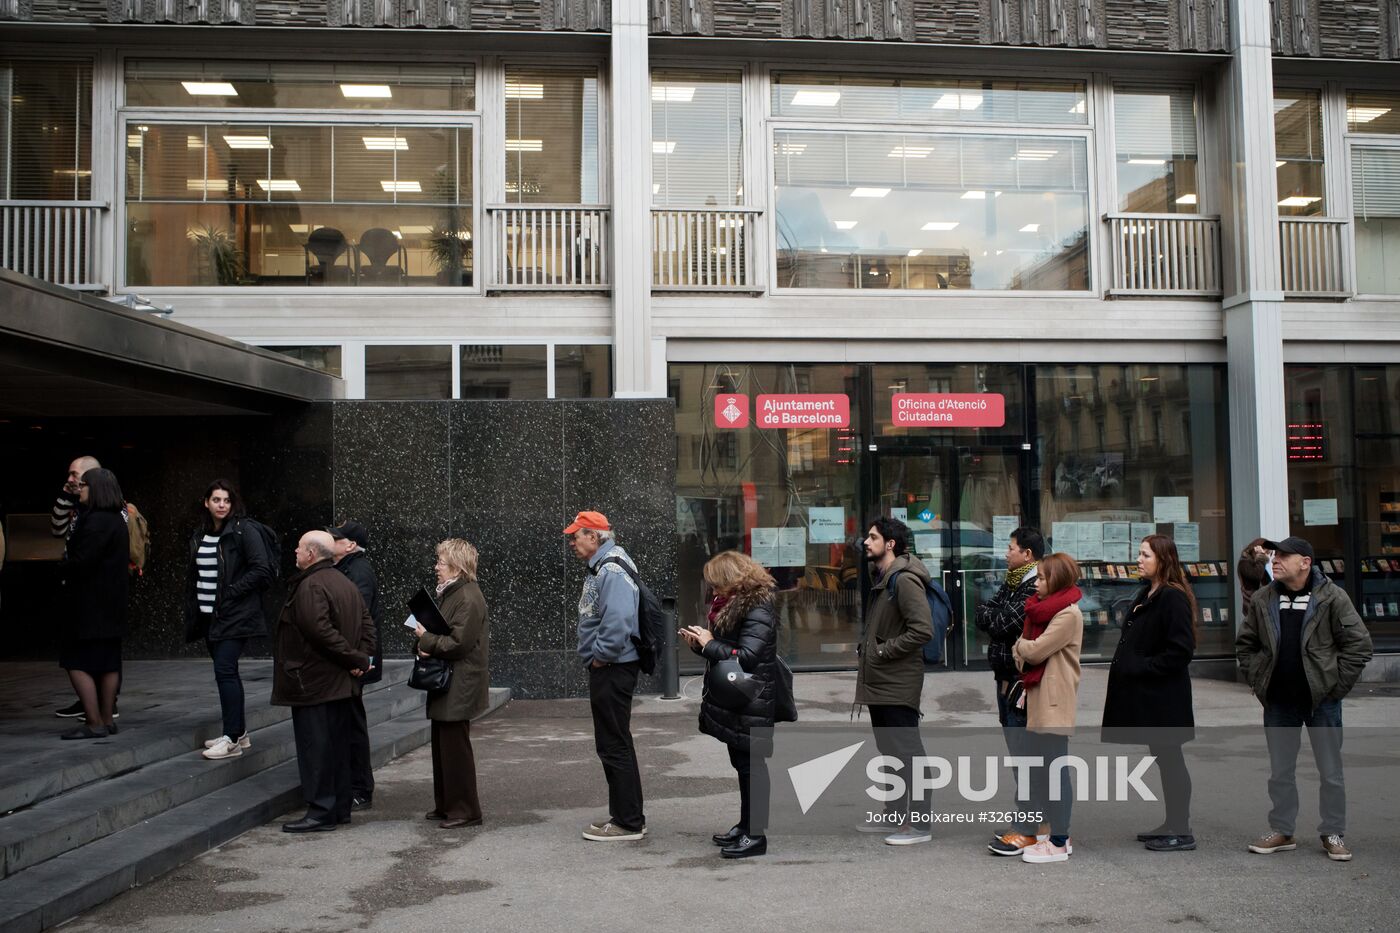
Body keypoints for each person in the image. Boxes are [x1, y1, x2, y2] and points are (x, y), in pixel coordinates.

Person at [1236, 535, 1373, 862]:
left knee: (1330, 770)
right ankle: (1282, 829)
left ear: (1305, 562)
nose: (1275, 560)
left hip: (1321, 701)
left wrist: (1335, 687)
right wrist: (1259, 680)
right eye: (1274, 555)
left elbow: (1360, 645)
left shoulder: (1332, 597)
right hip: (1279, 701)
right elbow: (1246, 645)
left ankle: (1333, 832)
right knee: (1280, 770)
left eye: (1284, 555)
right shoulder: (1263, 599)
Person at [272, 530, 374, 833]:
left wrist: (356, 659)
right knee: (337, 748)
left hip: (313, 683)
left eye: (300, 547)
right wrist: (362, 657)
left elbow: (320, 632)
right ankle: (338, 809)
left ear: (312, 554)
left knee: (316, 748)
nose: (295, 551)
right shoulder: (344, 581)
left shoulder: (311, 585)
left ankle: (321, 812)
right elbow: (368, 626)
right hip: (337, 684)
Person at [1102, 534, 1199, 852]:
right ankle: (1172, 823)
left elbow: (1181, 650)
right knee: (1164, 758)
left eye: (1145, 555)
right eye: (1139, 554)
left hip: (1165, 698)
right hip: (1152, 696)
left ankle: (1180, 830)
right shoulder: (1150, 591)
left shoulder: (1172, 597)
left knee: (1171, 759)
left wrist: (1142, 667)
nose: (1138, 560)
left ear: (1163, 560)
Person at [680, 550, 779, 860]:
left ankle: (756, 835)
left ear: (732, 580)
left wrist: (710, 643)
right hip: (739, 698)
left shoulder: (758, 608)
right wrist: (702, 646)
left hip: (752, 698)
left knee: (752, 768)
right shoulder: (734, 604)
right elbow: (729, 651)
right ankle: (746, 826)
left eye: (715, 584)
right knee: (743, 765)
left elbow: (747, 657)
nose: (712, 590)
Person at [565, 510, 647, 842]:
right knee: (615, 742)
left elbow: (617, 622)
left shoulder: (611, 569)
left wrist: (599, 658)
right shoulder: (609, 564)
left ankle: (628, 822)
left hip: (612, 667)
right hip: (612, 666)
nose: (572, 542)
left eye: (576, 536)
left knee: (614, 744)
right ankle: (626, 816)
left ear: (594, 536)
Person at [998, 552, 1083, 863]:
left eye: (1044, 577)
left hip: (1054, 700)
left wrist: (1023, 648)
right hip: (1036, 697)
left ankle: (1060, 841)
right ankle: (1051, 833)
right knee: (1041, 770)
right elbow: (1024, 650)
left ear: (1057, 580)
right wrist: (1024, 648)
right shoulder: (1038, 610)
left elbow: (1032, 651)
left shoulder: (1067, 615)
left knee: (1056, 771)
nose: (1037, 582)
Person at [855, 516, 934, 846]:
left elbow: (922, 630)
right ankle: (894, 812)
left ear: (890, 544)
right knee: (889, 750)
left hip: (897, 680)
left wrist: (883, 652)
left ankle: (919, 824)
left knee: (908, 751)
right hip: (880, 680)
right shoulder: (883, 578)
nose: (865, 542)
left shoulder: (903, 581)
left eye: (872, 537)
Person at [185, 480, 274, 761]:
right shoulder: (201, 533)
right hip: (210, 615)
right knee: (226, 672)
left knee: (225, 670)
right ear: (206, 503)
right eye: (216, 500)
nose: (221, 505)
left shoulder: (243, 531)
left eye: (226, 500)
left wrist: (232, 592)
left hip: (236, 614)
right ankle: (240, 732)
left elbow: (261, 569)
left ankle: (232, 737)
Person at [975, 525, 1044, 853]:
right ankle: (1032, 822)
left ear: (1027, 554)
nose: (1006, 552)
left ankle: (1029, 827)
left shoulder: (1035, 587)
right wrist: (994, 615)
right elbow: (982, 615)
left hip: (1020, 684)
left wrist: (995, 617)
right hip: (1003, 680)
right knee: (1020, 758)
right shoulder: (1013, 582)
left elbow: (1002, 623)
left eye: (1011, 547)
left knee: (1026, 757)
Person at [414, 538, 489, 829]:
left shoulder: (468, 597)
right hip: (449, 681)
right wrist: (426, 640)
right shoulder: (454, 593)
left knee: (455, 748)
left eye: (441, 562)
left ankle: (466, 810)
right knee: (444, 746)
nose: (436, 567)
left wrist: (426, 640)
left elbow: (459, 643)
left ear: (456, 566)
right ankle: (448, 805)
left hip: (459, 682)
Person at [57, 468, 129, 740]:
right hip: (113, 604)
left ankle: (94, 721)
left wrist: (62, 567)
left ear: (96, 489)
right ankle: (108, 720)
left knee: (75, 660)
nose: (80, 489)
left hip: (88, 604)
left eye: (84, 485)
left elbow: (82, 562)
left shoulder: (95, 521)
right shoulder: (117, 520)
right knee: (109, 662)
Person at [330, 520, 384, 810]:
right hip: (352, 658)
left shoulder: (359, 571)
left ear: (350, 545)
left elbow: (355, 618)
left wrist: (355, 659)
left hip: (356, 660)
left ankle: (360, 788)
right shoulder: (343, 569)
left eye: (335, 538)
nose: (330, 540)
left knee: (352, 724)